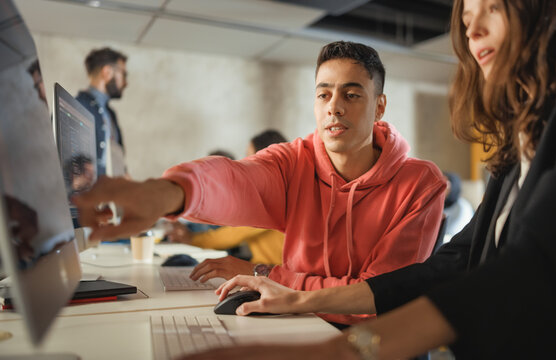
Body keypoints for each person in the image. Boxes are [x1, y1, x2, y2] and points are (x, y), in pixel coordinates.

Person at [180, 0, 556, 359]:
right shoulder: (515, 150)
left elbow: (535, 267)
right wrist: (293, 299)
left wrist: (339, 351)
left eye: (493, 9)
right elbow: (447, 268)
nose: (472, 30)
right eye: (467, 16)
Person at [73, 41, 447, 327]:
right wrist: (166, 192)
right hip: (303, 325)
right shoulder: (294, 161)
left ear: (380, 106)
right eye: (323, 94)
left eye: (351, 95)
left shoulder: (421, 184)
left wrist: (268, 276)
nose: (334, 107)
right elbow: (236, 179)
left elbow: (375, 297)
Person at [167, 130, 288, 265]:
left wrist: (191, 239)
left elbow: (232, 234)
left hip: (273, 271)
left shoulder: (275, 196)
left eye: (250, 157)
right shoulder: (276, 191)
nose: (245, 162)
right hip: (262, 266)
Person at [76, 47, 128, 177]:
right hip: (89, 195)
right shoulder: (76, 106)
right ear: (107, 72)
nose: (126, 83)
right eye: (123, 74)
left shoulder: (111, 114)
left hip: (111, 193)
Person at [442, 171, 474, 243]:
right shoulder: (438, 206)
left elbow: (451, 235)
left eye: (446, 184)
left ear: (453, 187)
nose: (441, 187)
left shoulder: (462, 207)